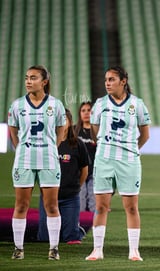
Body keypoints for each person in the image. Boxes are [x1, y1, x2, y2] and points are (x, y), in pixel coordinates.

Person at [85, 66, 151, 261]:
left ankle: (134, 251)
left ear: (123, 81)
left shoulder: (137, 104)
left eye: (112, 79)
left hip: (129, 161)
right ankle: (97, 250)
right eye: (106, 79)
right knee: (101, 206)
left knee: (131, 206)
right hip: (104, 159)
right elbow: (95, 130)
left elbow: (145, 134)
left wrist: (130, 149)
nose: (107, 83)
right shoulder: (100, 104)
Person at [7, 65, 66, 260]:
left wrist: (52, 147)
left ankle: (54, 248)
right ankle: (18, 248)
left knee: (51, 206)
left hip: (48, 159)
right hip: (24, 159)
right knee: (21, 205)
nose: (28, 81)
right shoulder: (17, 105)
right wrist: (21, 148)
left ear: (44, 82)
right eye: (26, 77)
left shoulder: (55, 105)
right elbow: (13, 129)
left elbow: (61, 130)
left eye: (33, 78)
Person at [38, 108, 89, 244]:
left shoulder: (78, 144)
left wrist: (76, 187)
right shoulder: (45, 143)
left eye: (64, 119)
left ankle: (76, 230)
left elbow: (84, 170)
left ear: (70, 122)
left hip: (70, 198)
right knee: (44, 239)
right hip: (48, 197)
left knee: (71, 239)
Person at [75, 101, 97, 212]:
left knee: (94, 206)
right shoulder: (74, 131)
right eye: (83, 110)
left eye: (89, 110)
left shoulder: (98, 131)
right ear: (79, 113)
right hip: (79, 172)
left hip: (95, 173)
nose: (86, 113)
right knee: (81, 206)